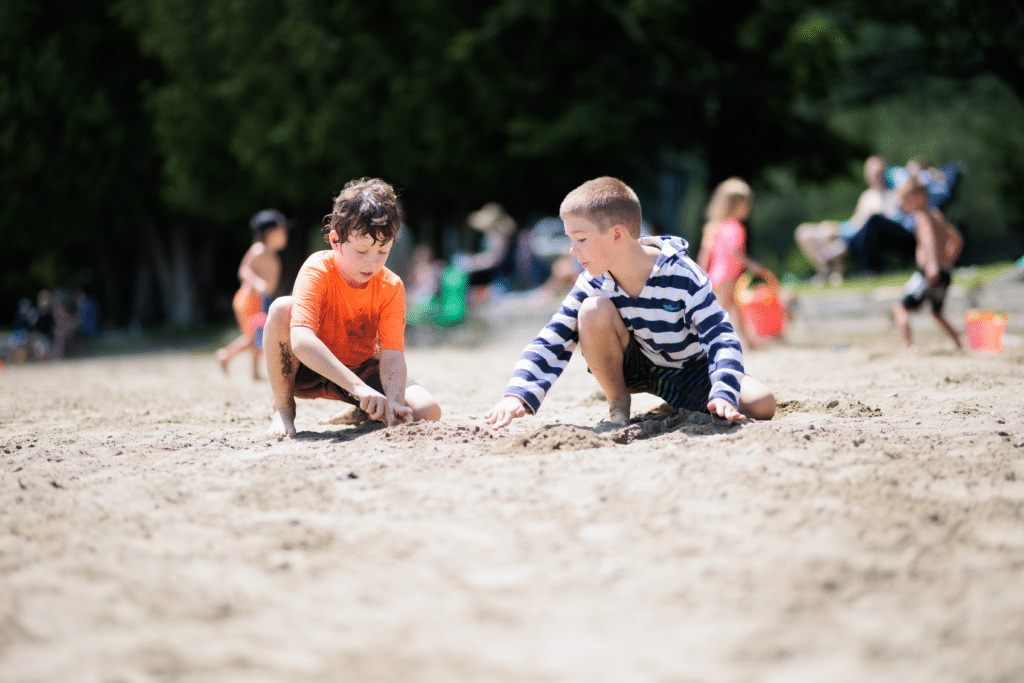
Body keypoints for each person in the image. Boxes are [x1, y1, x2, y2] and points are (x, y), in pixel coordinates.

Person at [484, 176, 775, 430]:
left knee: (762, 404)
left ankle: (678, 401)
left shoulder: (682, 274)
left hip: (689, 369)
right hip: (632, 367)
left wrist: (723, 391)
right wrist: (517, 394)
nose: (572, 250)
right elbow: (553, 338)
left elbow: (720, 336)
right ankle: (618, 403)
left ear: (617, 235)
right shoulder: (592, 280)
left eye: (581, 239)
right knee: (591, 310)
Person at [264, 177, 441, 438]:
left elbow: (392, 355)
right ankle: (283, 408)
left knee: (428, 411)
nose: (372, 262)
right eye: (361, 251)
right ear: (335, 241)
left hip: (360, 369)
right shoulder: (317, 269)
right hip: (306, 369)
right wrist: (358, 387)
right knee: (281, 308)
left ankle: (364, 411)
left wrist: (394, 401)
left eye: (383, 251)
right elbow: (301, 341)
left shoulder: (391, 286)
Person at [795, 155, 902, 283]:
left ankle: (834, 270)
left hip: (860, 239)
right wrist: (837, 227)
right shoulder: (867, 196)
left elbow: (877, 226)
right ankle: (825, 270)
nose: (875, 177)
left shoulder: (894, 196)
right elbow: (855, 222)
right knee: (804, 232)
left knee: (831, 238)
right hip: (850, 231)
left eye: (878, 173)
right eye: (871, 173)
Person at [696, 177, 773, 350]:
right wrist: (753, 265)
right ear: (735, 205)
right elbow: (735, 252)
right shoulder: (734, 226)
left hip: (720, 274)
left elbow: (705, 253)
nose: (749, 208)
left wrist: (700, 272)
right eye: (746, 204)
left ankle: (749, 341)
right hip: (728, 274)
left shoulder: (715, 226)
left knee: (735, 308)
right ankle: (705, 341)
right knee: (723, 309)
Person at [891, 177, 965, 352]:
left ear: (918, 197)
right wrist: (948, 261)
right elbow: (957, 239)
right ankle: (959, 343)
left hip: (929, 273)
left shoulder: (921, 216)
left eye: (905, 201)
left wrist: (932, 263)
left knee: (900, 308)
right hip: (945, 272)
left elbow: (928, 239)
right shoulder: (936, 214)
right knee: (937, 312)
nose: (904, 206)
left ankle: (907, 346)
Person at [217, 209, 289, 379]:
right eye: (282, 231)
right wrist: (257, 282)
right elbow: (243, 270)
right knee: (253, 336)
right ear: (268, 233)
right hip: (248, 298)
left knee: (258, 335)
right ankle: (225, 355)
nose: (285, 235)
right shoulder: (259, 250)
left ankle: (254, 373)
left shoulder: (273, 256)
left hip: (259, 300)